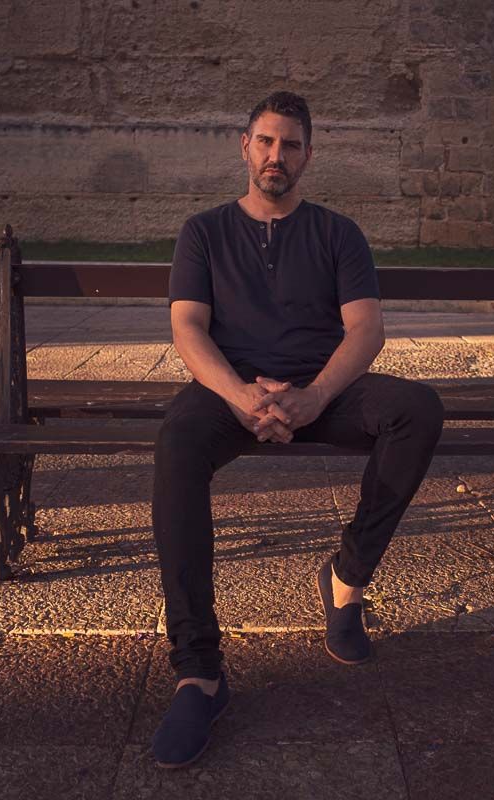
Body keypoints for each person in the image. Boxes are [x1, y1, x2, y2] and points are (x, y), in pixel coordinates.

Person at [150, 91, 444, 768]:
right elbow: (187, 327)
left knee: (417, 409)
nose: (275, 155)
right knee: (177, 441)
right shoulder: (204, 231)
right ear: (244, 146)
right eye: (265, 141)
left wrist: (313, 397)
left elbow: (365, 328)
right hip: (232, 391)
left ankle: (346, 579)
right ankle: (199, 673)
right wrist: (243, 396)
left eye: (290, 144)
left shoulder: (338, 233)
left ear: (308, 155)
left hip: (323, 390)